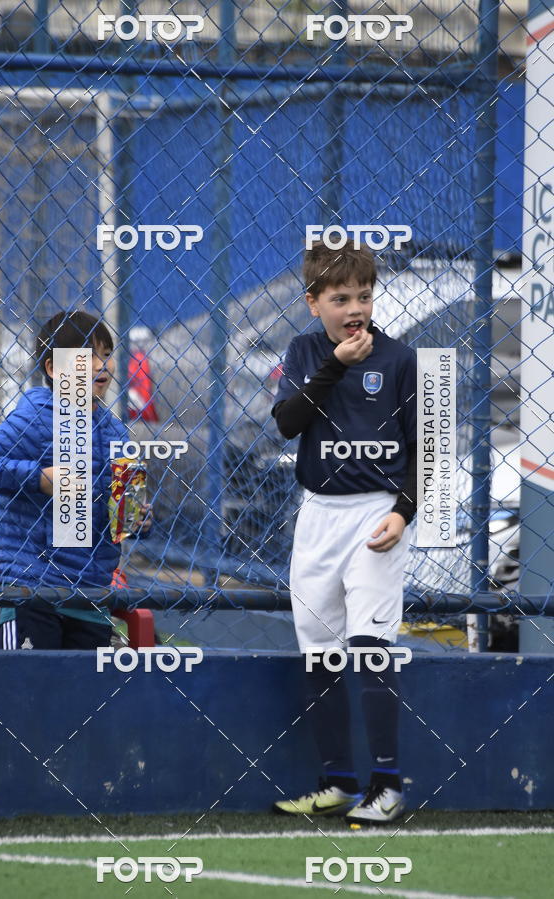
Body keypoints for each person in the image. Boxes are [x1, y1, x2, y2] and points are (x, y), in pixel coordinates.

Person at [271, 240, 417, 825]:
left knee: (370, 647)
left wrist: (402, 512)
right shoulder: (305, 352)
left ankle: (387, 785)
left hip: (377, 514)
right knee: (320, 651)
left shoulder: (401, 358)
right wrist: (337, 366)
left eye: (364, 295)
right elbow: (286, 423)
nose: (355, 308)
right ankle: (336, 782)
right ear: (314, 303)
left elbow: (425, 452)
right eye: (340, 299)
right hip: (318, 517)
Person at [0, 309, 151, 650]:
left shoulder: (115, 431)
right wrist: (39, 478)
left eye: (105, 355)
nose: (99, 365)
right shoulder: (36, 417)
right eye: (85, 357)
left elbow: (120, 512)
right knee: (28, 691)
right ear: (53, 369)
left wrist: (136, 518)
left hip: (89, 591)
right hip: (31, 590)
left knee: (85, 694)